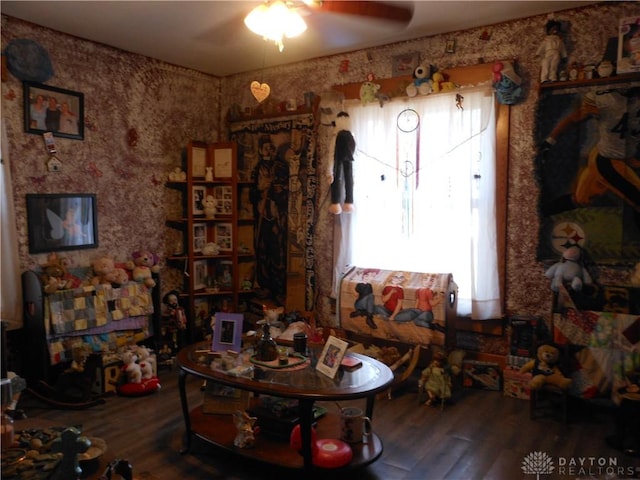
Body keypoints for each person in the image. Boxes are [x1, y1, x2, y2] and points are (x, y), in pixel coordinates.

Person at [540, 87, 640, 221]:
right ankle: (529, 215)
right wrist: (549, 141)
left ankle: (534, 214)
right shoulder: (605, 99)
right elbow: (575, 118)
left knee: (581, 199)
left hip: (610, 156)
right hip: (608, 160)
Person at [250, 136, 289, 303]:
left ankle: (278, 290)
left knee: (277, 254)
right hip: (261, 216)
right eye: (265, 148)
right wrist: (259, 190)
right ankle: (265, 287)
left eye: (270, 147)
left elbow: (286, 192)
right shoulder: (257, 169)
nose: (268, 150)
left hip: (275, 217)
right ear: (260, 150)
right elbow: (251, 194)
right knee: (262, 252)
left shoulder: (280, 167)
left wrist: (274, 190)